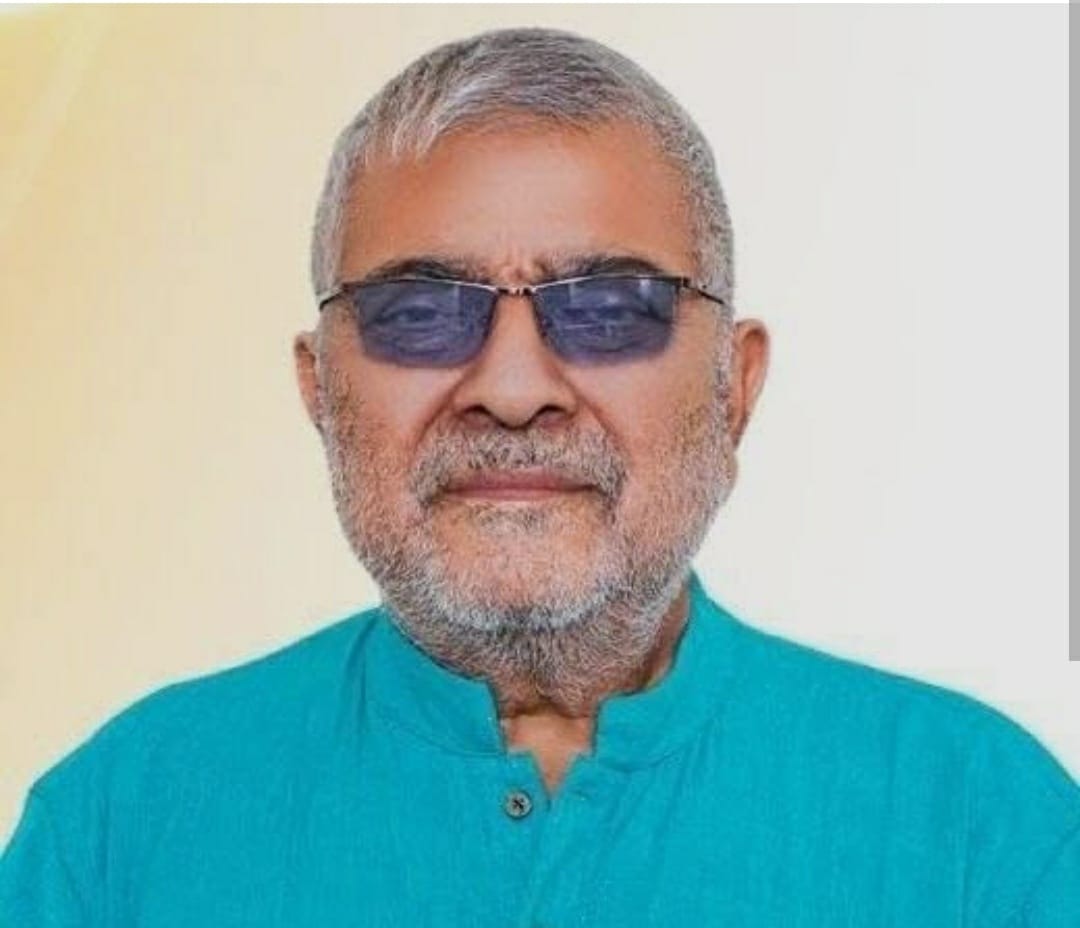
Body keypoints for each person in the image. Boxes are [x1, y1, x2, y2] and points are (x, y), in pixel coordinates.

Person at [2, 25, 1077, 927]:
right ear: (321, 389)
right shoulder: (116, 833)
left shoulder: (980, 833)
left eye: (611, 309)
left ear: (734, 388)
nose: (513, 389)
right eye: (417, 313)